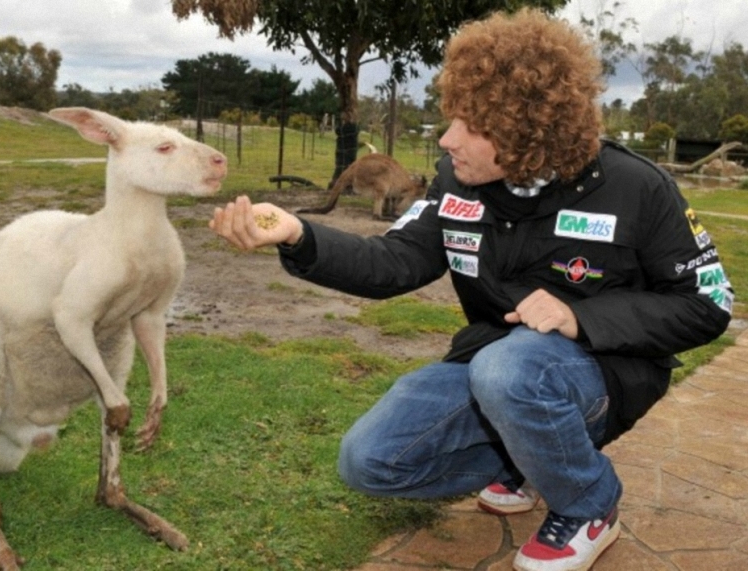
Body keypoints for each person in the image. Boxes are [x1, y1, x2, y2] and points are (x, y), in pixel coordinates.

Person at [210, 8, 733, 571]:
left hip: (604, 372)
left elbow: (708, 304)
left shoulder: (636, 188)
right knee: (369, 461)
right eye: (451, 117)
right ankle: (528, 461)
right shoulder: (456, 180)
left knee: (510, 372)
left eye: (472, 126)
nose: (446, 138)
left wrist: (583, 318)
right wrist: (299, 234)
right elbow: (397, 260)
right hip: (493, 366)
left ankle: (588, 504)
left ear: (529, 133)